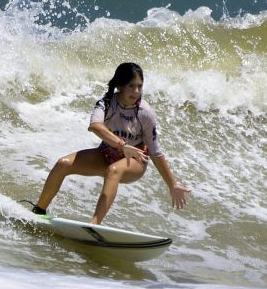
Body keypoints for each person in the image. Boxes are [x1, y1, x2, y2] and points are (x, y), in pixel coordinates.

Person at [31, 62, 190, 224]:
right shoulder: (106, 103)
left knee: (113, 170)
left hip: (135, 162)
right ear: (120, 86)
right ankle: (38, 212)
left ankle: (94, 225)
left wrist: (173, 185)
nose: (136, 92)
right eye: (131, 86)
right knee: (63, 164)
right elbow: (95, 126)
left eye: (140, 87)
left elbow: (156, 153)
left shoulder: (145, 113)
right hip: (106, 154)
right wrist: (122, 145)